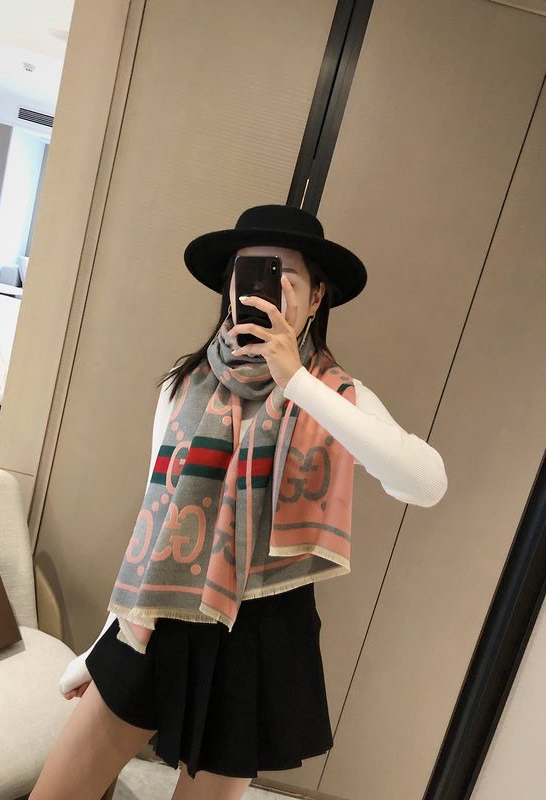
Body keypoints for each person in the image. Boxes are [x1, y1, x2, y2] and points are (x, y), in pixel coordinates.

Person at [30, 205, 447, 800]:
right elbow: (156, 521)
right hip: (159, 615)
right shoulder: (184, 382)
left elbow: (425, 483)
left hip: (258, 637)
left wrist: (296, 381)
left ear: (317, 296)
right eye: (247, 273)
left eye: (285, 277)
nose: (263, 291)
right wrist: (102, 644)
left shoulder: (335, 396)